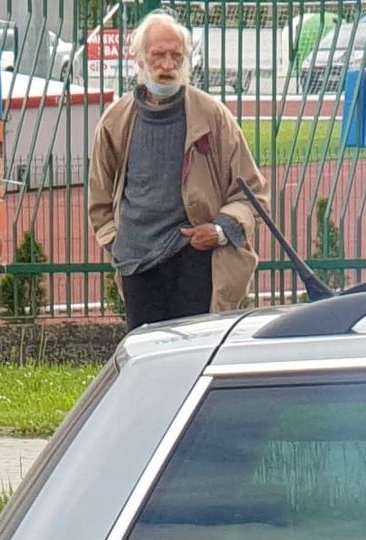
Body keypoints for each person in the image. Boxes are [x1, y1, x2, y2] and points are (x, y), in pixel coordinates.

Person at [86, 11, 267, 330]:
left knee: (196, 354)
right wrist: (120, 241)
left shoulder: (213, 117)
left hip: (197, 261)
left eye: (176, 55)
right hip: (138, 265)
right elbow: (99, 197)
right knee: (147, 359)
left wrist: (221, 230)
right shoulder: (116, 122)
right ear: (140, 58)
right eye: (158, 55)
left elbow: (252, 194)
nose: (167, 65)